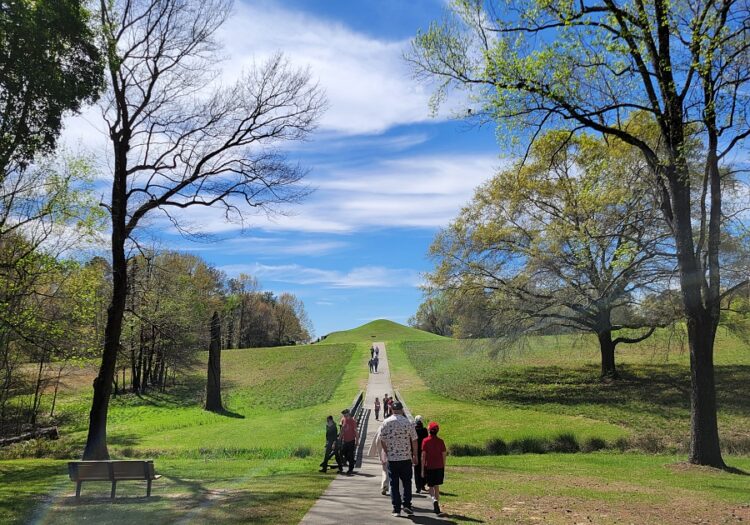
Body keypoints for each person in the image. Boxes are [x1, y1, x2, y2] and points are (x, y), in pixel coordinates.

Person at [379, 401, 418, 517]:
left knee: (394, 484)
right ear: (401, 410)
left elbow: (382, 439)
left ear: (391, 410)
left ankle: (396, 508)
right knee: (407, 483)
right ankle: (407, 504)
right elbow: (414, 439)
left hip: (393, 458)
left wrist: (387, 451)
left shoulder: (386, 422)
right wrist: (414, 454)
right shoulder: (408, 422)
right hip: (406, 457)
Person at [421, 421, 447, 516]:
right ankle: (437, 505)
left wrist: (422, 470)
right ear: (437, 431)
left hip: (430, 466)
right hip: (439, 466)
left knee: (430, 486)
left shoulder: (425, 441)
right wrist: (443, 465)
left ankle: (434, 500)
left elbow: (423, 456)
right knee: (437, 486)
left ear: (429, 430)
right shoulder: (441, 441)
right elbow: (444, 455)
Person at [340, 408, 358, 475]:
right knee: (343, 452)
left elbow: (356, 431)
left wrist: (357, 441)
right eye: (343, 415)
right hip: (345, 440)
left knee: (350, 455)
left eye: (345, 414)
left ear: (348, 414)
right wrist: (340, 438)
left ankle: (350, 469)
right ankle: (352, 461)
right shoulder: (344, 420)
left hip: (351, 440)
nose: (344, 416)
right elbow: (342, 430)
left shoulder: (353, 421)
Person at [413, 416, 429, 493]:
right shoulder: (425, 430)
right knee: (423, 468)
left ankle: (418, 486)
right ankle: (422, 484)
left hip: (415, 451)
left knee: (416, 469)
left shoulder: (414, 430)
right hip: (423, 451)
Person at [373, 425, 389, 495]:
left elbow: (377, 441)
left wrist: (380, 453)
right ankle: (389, 486)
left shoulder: (381, 428)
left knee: (385, 471)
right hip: (394, 454)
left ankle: (384, 485)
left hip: (384, 453)